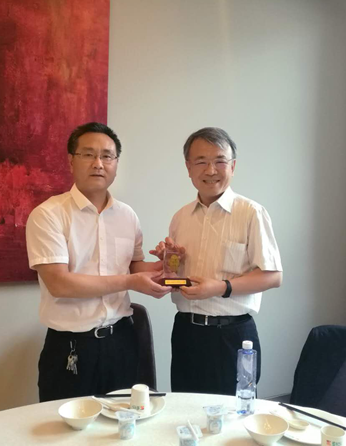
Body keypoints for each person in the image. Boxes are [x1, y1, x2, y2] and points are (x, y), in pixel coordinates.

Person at [26, 122, 170, 402]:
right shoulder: (48, 215)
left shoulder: (127, 215)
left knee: (125, 422)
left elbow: (133, 266)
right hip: (71, 346)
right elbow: (59, 284)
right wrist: (131, 281)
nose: (98, 163)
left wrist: (162, 268)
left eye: (107, 156)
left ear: (116, 163)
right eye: (88, 154)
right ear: (71, 161)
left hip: (122, 342)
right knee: (66, 426)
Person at [150, 127, 283, 395]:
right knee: (185, 409)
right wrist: (170, 265)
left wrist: (221, 287)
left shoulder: (251, 213)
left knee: (234, 413)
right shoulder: (180, 217)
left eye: (220, 161)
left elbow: (273, 276)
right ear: (188, 167)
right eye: (201, 161)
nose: (211, 170)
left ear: (233, 166)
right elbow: (179, 277)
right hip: (186, 332)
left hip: (232, 335)